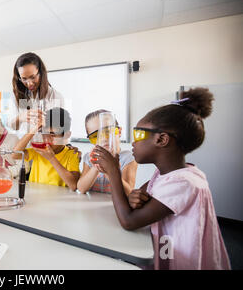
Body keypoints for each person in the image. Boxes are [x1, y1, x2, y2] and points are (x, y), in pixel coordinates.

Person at [92, 87, 230, 270]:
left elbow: (129, 221)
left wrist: (113, 172)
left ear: (162, 140)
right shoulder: (166, 174)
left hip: (183, 262)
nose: (133, 142)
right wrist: (135, 197)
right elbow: (136, 200)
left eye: (138, 135)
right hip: (168, 250)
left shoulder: (184, 183)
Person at [13, 107, 80, 190]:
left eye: (52, 135)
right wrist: (34, 129)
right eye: (44, 134)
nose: (47, 139)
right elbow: (14, 154)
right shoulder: (39, 151)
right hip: (35, 197)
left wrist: (52, 158)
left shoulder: (71, 154)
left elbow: (73, 185)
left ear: (66, 135)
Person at [77, 110, 137, 195]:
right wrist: (95, 167)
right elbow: (81, 188)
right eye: (95, 136)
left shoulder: (128, 157)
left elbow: (128, 192)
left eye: (108, 131)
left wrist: (109, 171)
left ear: (119, 131)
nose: (103, 138)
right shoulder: (89, 157)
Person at [9, 52, 64, 134]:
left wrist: (46, 123)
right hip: (24, 145)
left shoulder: (55, 96)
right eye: (24, 79)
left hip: (46, 145)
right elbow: (13, 127)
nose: (29, 83)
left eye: (33, 77)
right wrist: (21, 117)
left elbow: (61, 130)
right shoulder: (16, 95)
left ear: (41, 73)